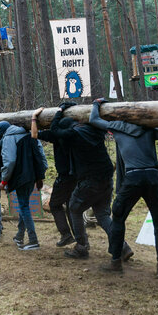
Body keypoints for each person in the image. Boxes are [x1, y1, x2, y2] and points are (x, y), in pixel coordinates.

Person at [88, 98, 158, 278]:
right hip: (152, 177)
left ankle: (115, 262)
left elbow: (93, 120)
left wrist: (96, 104)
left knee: (118, 217)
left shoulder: (117, 128)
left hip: (133, 178)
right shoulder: (147, 128)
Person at [50, 104, 132, 261]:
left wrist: (59, 112)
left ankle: (81, 247)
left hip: (90, 180)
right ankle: (122, 246)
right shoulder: (94, 130)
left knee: (74, 209)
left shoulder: (74, 134)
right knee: (102, 215)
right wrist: (96, 105)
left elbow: (55, 130)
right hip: (107, 179)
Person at [0, 121, 48, 251]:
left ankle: (33, 240)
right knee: (23, 204)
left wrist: (4, 180)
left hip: (21, 177)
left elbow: (10, 161)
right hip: (32, 176)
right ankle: (19, 235)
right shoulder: (28, 133)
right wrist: (40, 175)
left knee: (24, 206)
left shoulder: (8, 137)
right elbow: (40, 154)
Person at [30, 105, 76, 247]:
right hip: (78, 175)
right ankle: (80, 238)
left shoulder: (56, 134)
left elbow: (34, 134)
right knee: (72, 206)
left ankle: (67, 235)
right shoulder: (78, 132)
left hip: (64, 177)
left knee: (55, 205)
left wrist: (33, 117)